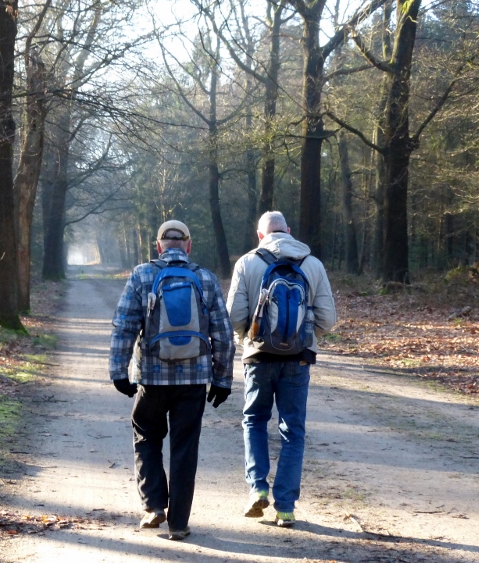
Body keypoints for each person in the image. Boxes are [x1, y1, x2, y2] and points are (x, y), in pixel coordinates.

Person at [109, 219, 235, 541]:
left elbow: (124, 326)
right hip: (194, 380)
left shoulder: (142, 275)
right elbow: (223, 334)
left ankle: (153, 506)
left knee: (146, 434)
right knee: (184, 447)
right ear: (189, 246)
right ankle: (179, 523)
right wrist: (222, 379)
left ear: (158, 247)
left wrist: (118, 372)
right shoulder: (205, 279)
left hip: (151, 377)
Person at [226, 211, 336, 527]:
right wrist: (307, 337)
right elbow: (328, 319)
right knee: (293, 431)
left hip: (258, 358)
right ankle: (285, 507)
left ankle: (258, 487)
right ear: (288, 231)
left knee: (255, 421)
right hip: (298, 360)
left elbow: (234, 315)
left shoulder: (246, 263)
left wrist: (249, 337)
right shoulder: (312, 264)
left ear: (260, 235)